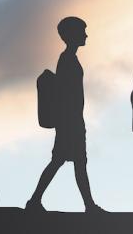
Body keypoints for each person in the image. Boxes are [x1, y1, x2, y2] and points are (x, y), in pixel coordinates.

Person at [25, 17, 105, 213]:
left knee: (70, 162)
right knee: (69, 162)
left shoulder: (69, 58)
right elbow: (66, 93)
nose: (86, 35)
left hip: (73, 120)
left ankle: (37, 201)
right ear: (72, 35)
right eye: (82, 31)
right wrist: (72, 120)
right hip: (70, 121)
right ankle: (87, 206)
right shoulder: (67, 59)